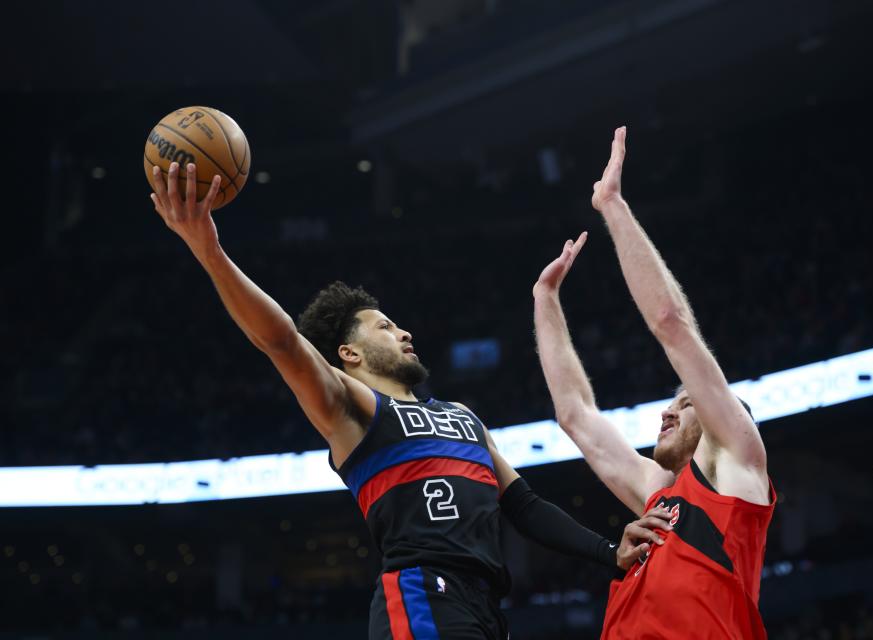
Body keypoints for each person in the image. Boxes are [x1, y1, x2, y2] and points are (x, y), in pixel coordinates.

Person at [147, 162, 668, 639]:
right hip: (423, 594)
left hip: (487, 606)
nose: (403, 331)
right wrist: (210, 252)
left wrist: (608, 553)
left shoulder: (462, 418)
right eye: (384, 326)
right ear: (348, 353)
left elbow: (526, 507)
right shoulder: (351, 409)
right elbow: (281, 340)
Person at [532, 127, 776, 639]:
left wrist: (613, 206)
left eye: (685, 403)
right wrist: (545, 300)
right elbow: (576, 415)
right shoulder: (660, 493)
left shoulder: (736, 463)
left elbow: (670, 321)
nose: (666, 412)